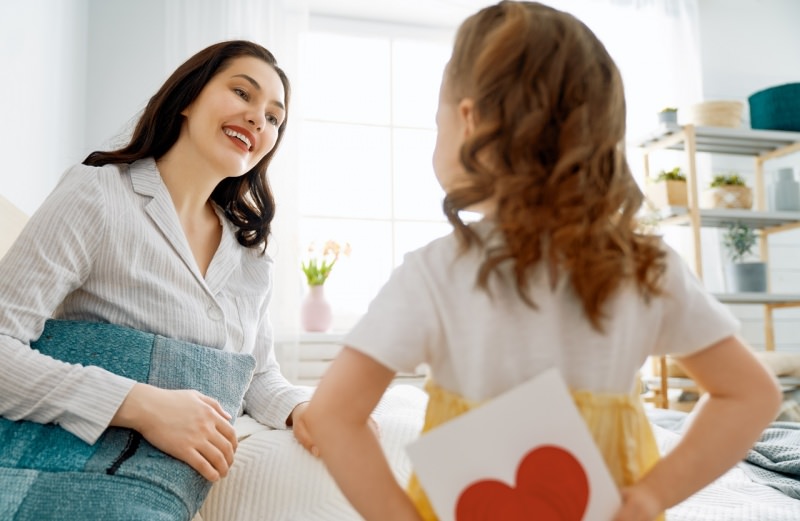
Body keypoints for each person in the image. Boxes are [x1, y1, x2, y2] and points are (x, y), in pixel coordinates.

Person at [301, 2, 783, 520]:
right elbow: (752, 395)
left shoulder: (434, 272)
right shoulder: (645, 265)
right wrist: (652, 495)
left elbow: (332, 414)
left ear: (470, 121)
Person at [0, 40, 315, 486]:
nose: (257, 119)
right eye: (242, 93)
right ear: (188, 96)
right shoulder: (97, 195)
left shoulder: (252, 254)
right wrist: (140, 405)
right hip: (84, 472)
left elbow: (259, 376)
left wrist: (303, 410)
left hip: (193, 480)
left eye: (273, 118)